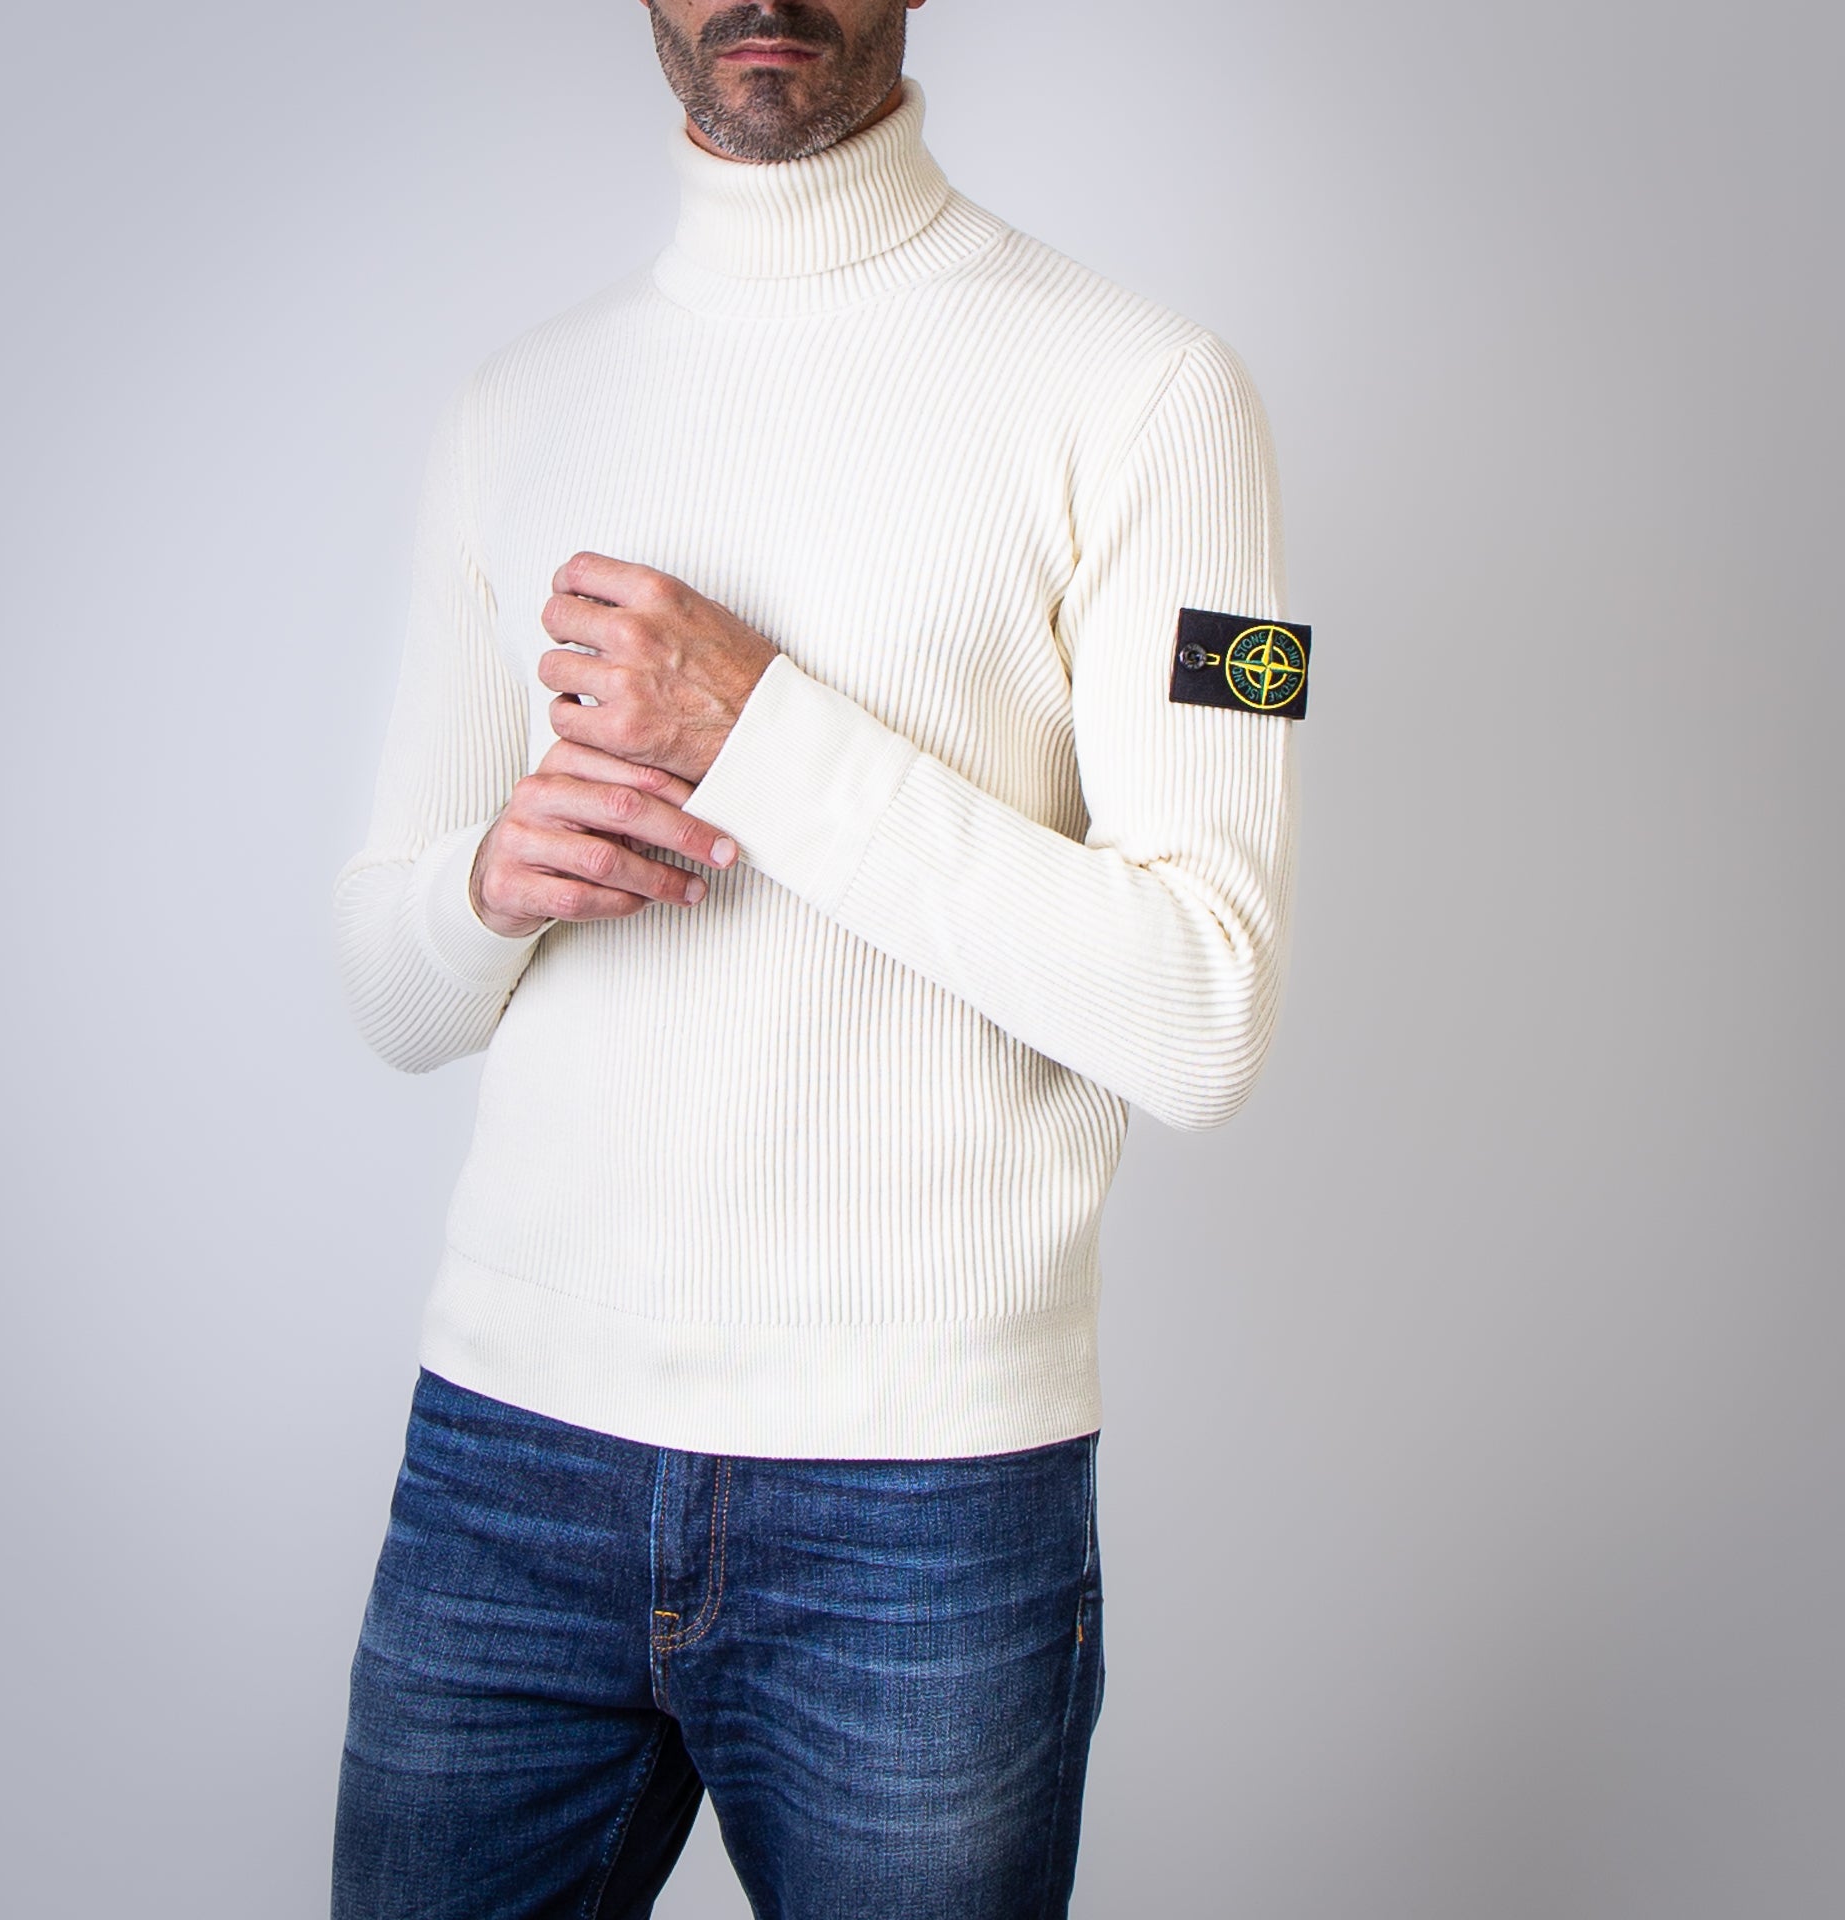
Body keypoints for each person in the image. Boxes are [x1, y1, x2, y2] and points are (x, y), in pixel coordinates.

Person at [330, 3, 1307, 1914]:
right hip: (507, 1466)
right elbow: (390, 985)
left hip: (921, 1505)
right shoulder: (520, 406)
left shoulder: (1151, 395)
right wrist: (485, 885)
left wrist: (759, 730)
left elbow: (1206, 1006)